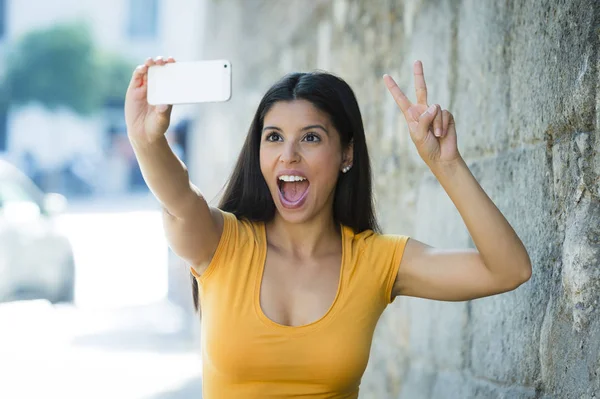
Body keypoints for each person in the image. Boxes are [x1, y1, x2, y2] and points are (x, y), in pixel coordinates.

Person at [124, 56, 532, 398]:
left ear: (346, 154)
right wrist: (147, 141)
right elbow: (178, 199)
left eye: (312, 138)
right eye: (274, 137)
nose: (288, 155)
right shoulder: (221, 243)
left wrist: (446, 165)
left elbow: (508, 269)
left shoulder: (376, 260)